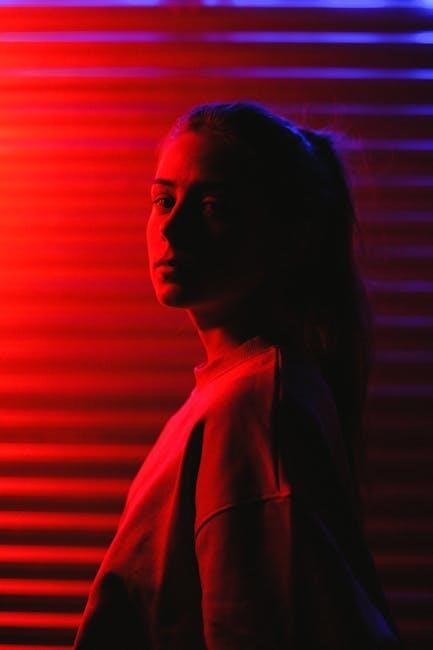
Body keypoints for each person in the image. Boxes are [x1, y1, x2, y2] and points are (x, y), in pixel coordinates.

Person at [73, 101, 402, 649]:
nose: (172, 227)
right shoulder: (244, 393)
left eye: (213, 206)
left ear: (289, 237)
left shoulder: (252, 407)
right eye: (163, 200)